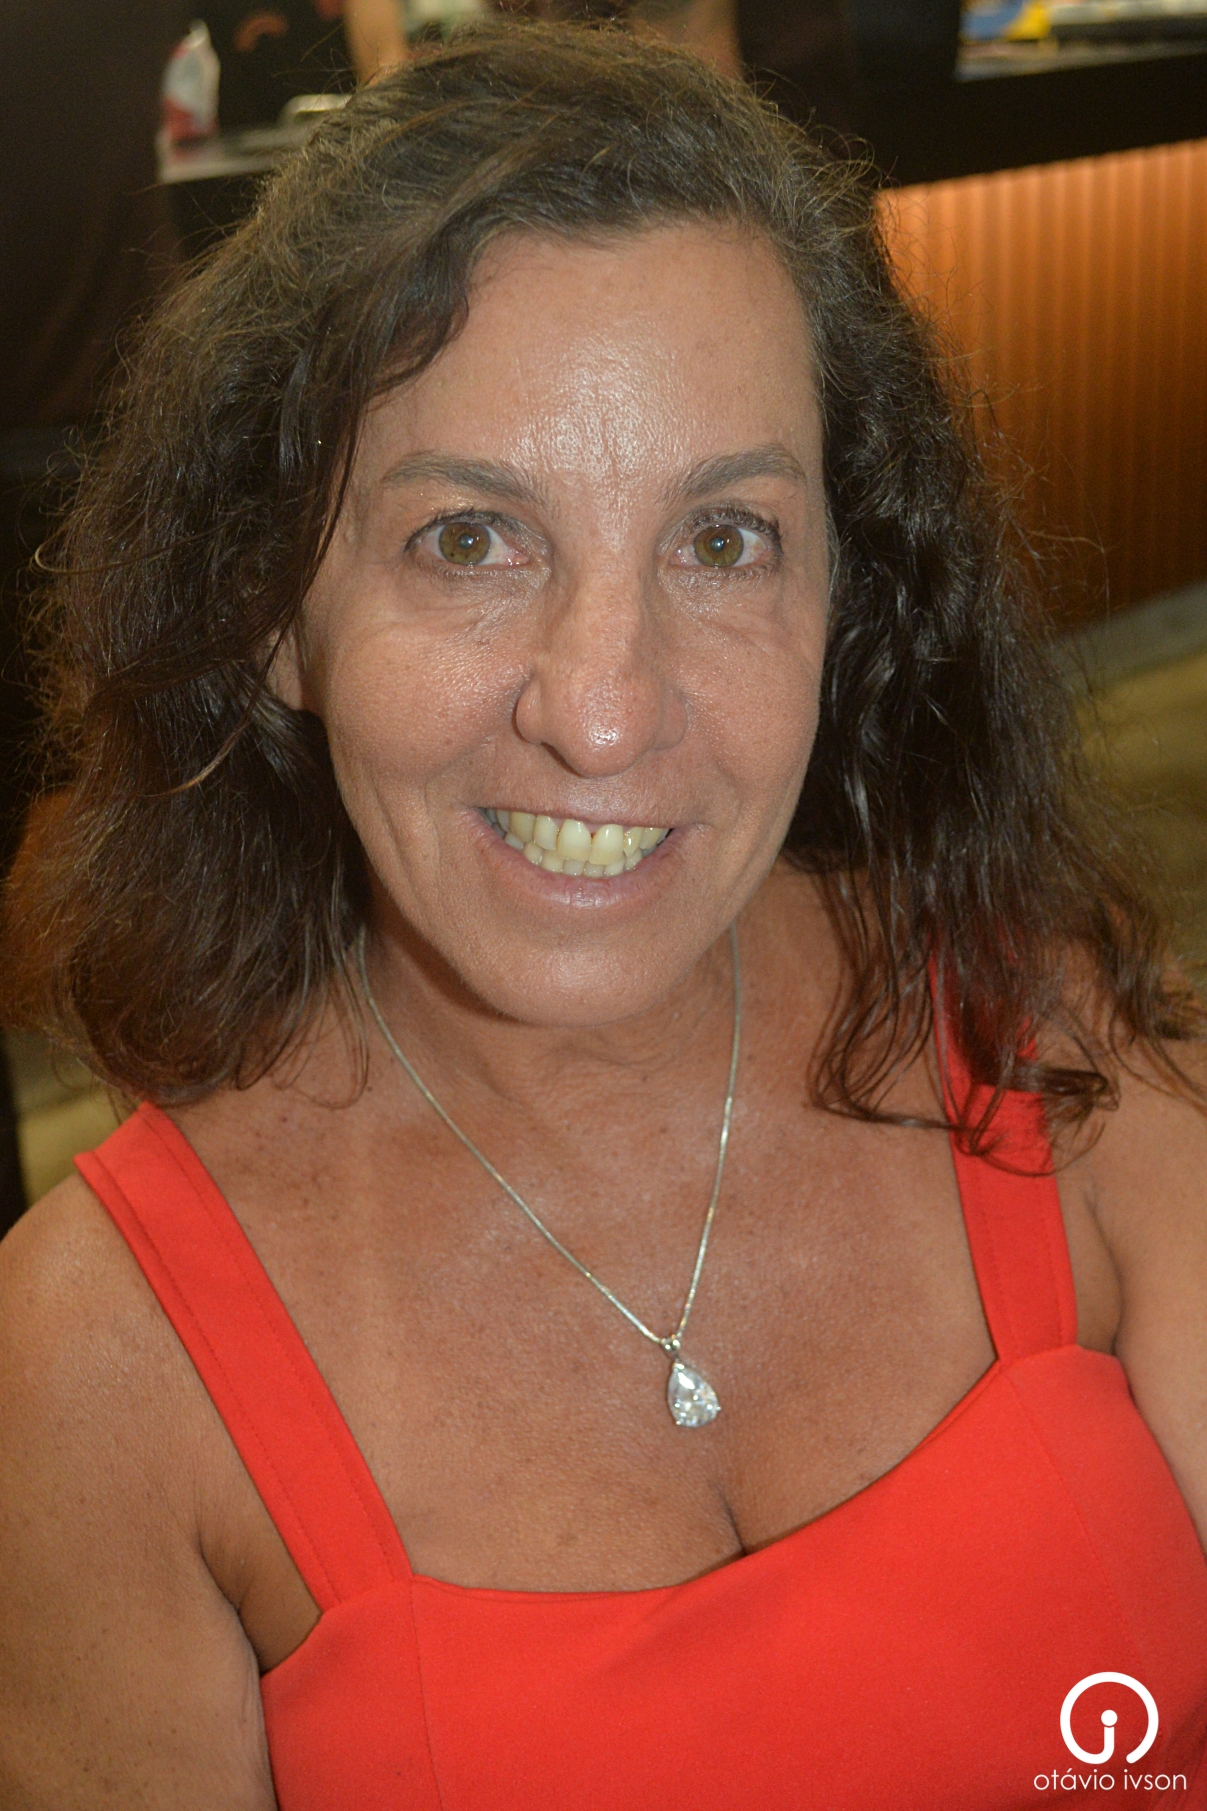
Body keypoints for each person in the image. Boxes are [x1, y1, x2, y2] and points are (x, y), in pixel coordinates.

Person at [1, 25, 1205, 1806]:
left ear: (846, 596)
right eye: (468, 540)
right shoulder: (96, 1364)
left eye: (723, 541)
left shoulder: (1049, 1028)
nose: (606, 710)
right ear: (273, 617)